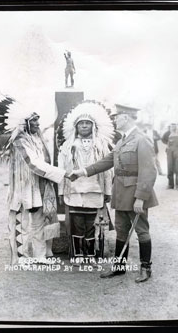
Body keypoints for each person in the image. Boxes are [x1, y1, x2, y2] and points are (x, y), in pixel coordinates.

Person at [69, 104, 158, 283]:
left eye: (117, 117)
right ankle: (119, 268)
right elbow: (106, 162)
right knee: (121, 231)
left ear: (126, 117)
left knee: (141, 231)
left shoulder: (142, 140)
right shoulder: (121, 141)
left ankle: (146, 268)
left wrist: (141, 197)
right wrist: (82, 171)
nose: (115, 120)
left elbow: (149, 171)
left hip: (135, 195)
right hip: (121, 194)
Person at [0, 96, 66, 265]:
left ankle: (40, 256)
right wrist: (62, 173)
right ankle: (22, 257)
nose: (37, 124)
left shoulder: (38, 139)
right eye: (34, 121)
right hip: (23, 188)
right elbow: (34, 164)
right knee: (23, 221)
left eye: (38, 121)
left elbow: (44, 161)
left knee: (38, 221)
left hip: (39, 185)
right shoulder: (19, 141)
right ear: (25, 123)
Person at [58, 101, 114, 261]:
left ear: (93, 126)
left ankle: (90, 254)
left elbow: (107, 170)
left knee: (91, 225)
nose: (84, 126)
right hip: (74, 191)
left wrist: (108, 191)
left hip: (95, 191)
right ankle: (77, 255)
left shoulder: (101, 146)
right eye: (81, 123)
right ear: (75, 127)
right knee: (76, 224)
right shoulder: (67, 147)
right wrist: (61, 191)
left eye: (87, 123)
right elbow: (62, 171)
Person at [162, 123, 178, 189]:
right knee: (170, 167)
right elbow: (162, 139)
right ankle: (170, 185)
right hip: (169, 151)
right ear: (170, 126)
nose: (173, 127)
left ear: (176, 126)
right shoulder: (167, 133)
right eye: (172, 126)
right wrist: (167, 144)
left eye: (174, 126)